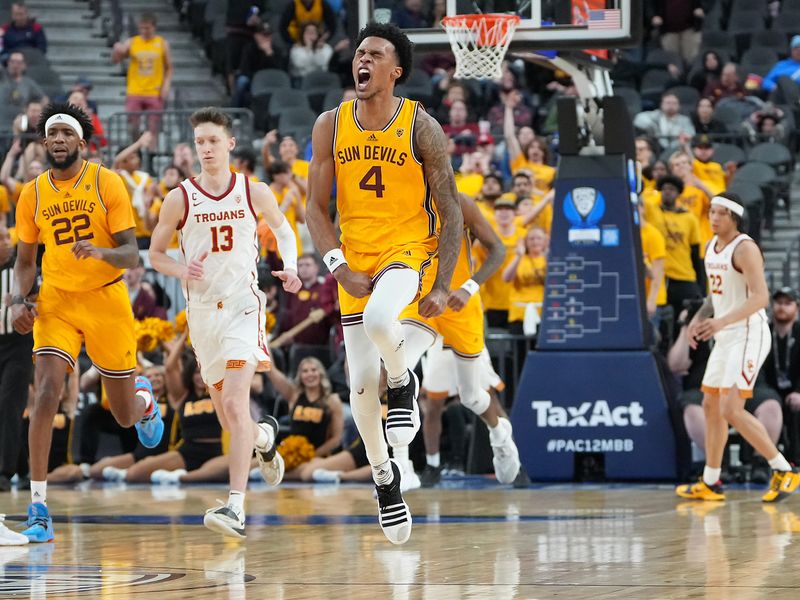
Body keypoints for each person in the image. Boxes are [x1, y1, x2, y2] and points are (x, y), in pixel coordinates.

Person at [306, 22, 463, 545]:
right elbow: (314, 207)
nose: (362, 59)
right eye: (358, 52)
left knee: (380, 320)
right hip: (354, 256)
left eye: (375, 53)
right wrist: (336, 264)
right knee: (357, 392)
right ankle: (384, 479)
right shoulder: (331, 123)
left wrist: (441, 285)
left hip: (406, 249)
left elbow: (452, 212)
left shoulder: (423, 126)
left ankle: (404, 380)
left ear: (396, 70)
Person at [11, 102, 163, 542]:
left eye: (66, 133)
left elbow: (133, 254)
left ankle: (144, 403)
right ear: (44, 144)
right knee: (45, 393)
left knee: (121, 414)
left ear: (81, 141)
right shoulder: (32, 193)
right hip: (56, 301)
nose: (58, 139)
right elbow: (25, 260)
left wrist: (101, 253)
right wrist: (22, 299)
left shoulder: (105, 182)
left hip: (105, 299)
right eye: (51, 134)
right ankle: (38, 506)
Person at [149, 107, 302, 539]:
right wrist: (183, 271)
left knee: (236, 405)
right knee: (229, 419)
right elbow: (157, 254)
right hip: (202, 316)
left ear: (230, 144)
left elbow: (284, 230)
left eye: (214, 140)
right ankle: (265, 440)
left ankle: (236, 507)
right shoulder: (179, 197)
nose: (206, 148)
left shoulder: (254, 192)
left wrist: (288, 266)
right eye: (200, 141)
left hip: (242, 307)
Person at [676, 192, 800, 503]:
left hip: (749, 333)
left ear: (734, 218)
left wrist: (719, 322)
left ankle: (784, 469)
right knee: (710, 406)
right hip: (726, 335)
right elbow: (714, 295)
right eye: (711, 212)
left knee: (731, 408)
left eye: (719, 213)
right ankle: (711, 481)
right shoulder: (710, 248)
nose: (713, 218)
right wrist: (699, 319)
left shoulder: (745, 248)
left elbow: (760, 297)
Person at [400, 193, 521, 486]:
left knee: (472, 396)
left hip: (459, 303)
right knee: (396, 366)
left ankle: (500, 435)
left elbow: (497, 250)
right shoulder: (400, 196)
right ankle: (401, 463)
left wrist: (469, 287)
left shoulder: (459, 201)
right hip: (422, 300)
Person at [266, 357, 344, 478]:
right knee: (259, 462)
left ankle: (273, 475)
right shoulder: (294, 395)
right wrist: (264, 342)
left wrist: (311, 454)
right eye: (305, 371)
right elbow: (271, 370)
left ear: (321, 373)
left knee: (305, 471)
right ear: (300, 376)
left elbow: (336, 439)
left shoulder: (332, 400)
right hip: (291, 454)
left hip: (318, 457)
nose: (310, 374)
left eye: (313, 370)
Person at [0, 223, 31, 492]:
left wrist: (23, 303)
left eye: (7, 237)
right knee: (7, 409)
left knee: (10, 404)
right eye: (1, 239)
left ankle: (4, 472)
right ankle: (23, 467)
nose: (7, 242)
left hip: (19, 345)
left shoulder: (20, 269)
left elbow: (41, 298)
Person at [112, 12, 173, 141]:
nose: (144, 31)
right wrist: (116, 50)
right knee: (133, 126)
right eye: (142, 28)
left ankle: (151, 154)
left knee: (153, 127)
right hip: (135, 90)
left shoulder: (161, 43)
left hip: (154, 91)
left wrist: (166, 85)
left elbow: (169, 68)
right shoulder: (132, 42)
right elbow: (116, 60)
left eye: (147, 28)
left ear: (153, 27)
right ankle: (136, 151)